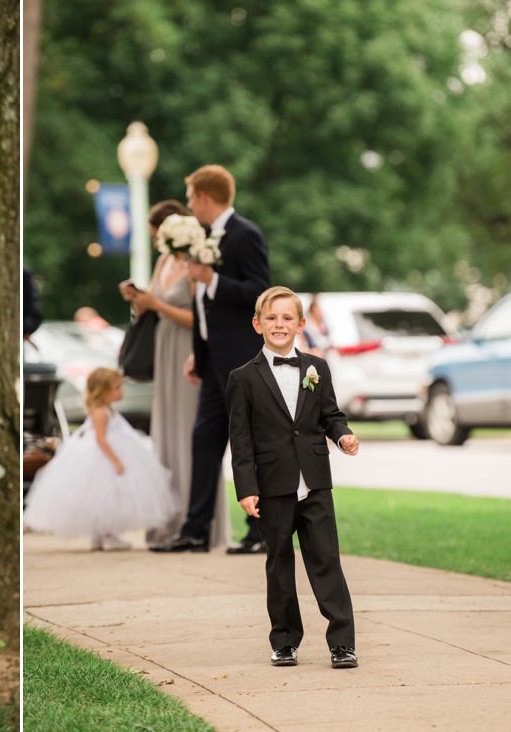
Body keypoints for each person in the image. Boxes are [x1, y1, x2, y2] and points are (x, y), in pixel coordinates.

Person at [226, 286, 359, 669]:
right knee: (279, 563)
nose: (279, 324)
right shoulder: (242, 378)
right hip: (272, 486)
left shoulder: (318, 368)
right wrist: (247, 488)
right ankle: (285, 640)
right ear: (257, 324)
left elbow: (330, 415)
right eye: (271, 318)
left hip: (315, 481)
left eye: (287, 318)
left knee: (326, 561)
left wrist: (342, 435)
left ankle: (342, 642)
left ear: (301, 324)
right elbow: (241, 439)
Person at [152, 165, 271, 554]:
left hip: (240, 360)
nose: (188, 205)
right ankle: (196, 531)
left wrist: (211, 279)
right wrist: (197, 352)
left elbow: (260, 291)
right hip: (211, 361)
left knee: (248, 446)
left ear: (204, 197)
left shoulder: (246, 235)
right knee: (204, 442)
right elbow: (205, 309)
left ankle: (260, 533)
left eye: (190, 197)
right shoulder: (203, 238)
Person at [119, 200, 231, 549]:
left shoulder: (198, 259)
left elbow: (203, 316)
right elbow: (151, 302)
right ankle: (167, 524)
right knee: (165, 436)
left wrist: (157, 305)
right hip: (164, 348)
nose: (156, 243)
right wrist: (136, 298)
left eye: (158, 236)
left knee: (191, 436)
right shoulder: (165, 260)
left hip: (189, 350)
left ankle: (197, 523)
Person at [23, 367, 177, 551]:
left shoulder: (107, 410)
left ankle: (102, 535)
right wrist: (115, 460)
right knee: (104, 496)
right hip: (101, 456)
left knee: (110, 497)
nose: (121, 392)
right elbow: (101, 438)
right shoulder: (101, 412)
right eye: (116, 388)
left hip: (112, 451)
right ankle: (106, 535)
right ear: (102, 391)